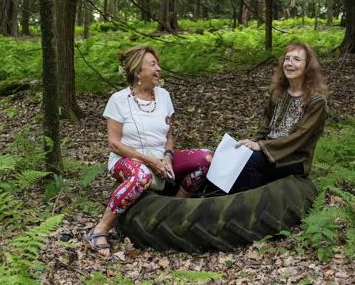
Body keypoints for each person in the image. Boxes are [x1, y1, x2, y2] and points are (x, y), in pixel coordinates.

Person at [83, 45, 212, 256]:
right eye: (153, 65)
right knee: (141, 175)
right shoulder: (118, 100)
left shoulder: (163, 96)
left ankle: (174, 209)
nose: (159, 69)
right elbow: (114, 143)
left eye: (157, 64)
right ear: (137, 71)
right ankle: (100, 230)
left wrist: (168, 156)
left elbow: (169, 135)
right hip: (127, 159)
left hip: (161, 159)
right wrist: (150, 161)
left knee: (206, 158)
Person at [232, 42, 328, 192]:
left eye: (296, 59)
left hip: (294, 157)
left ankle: (251, 203)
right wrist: (254, 142)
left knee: (249, 162)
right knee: (237, 154)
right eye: (287, 58)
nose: (289, 63)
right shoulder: (279, 92)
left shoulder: (316, 101)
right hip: (268, 149)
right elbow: (265, 123)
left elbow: (301, 136)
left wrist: (262, 147)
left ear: (308, 66)